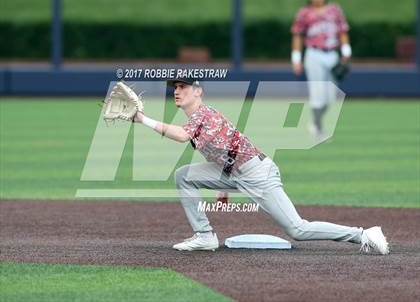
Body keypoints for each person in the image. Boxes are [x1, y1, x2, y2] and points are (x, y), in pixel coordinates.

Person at [132, 78, 389, 255]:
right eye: (175, 87)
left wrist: (143, 119)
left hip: (257, 174)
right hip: (234, 172)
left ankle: (363, 235)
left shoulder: (203, 114)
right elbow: (221, 150)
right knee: (184, 176)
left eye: (184, 87)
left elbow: (180, 136)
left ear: (198, 91)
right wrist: (223, 189)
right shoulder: (198, 117)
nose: (177, 91)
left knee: (297, 229)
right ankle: (205, 236)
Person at [291, 0, 351, 137]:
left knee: (331, 96)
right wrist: (296, 59)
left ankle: (315, 121)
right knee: (317, 93)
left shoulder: (334, 10)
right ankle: (317, 126)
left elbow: (343, 31)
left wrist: (346, 51)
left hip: (332, 53)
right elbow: (297, 35)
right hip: (314, 53)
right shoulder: (304, 13)